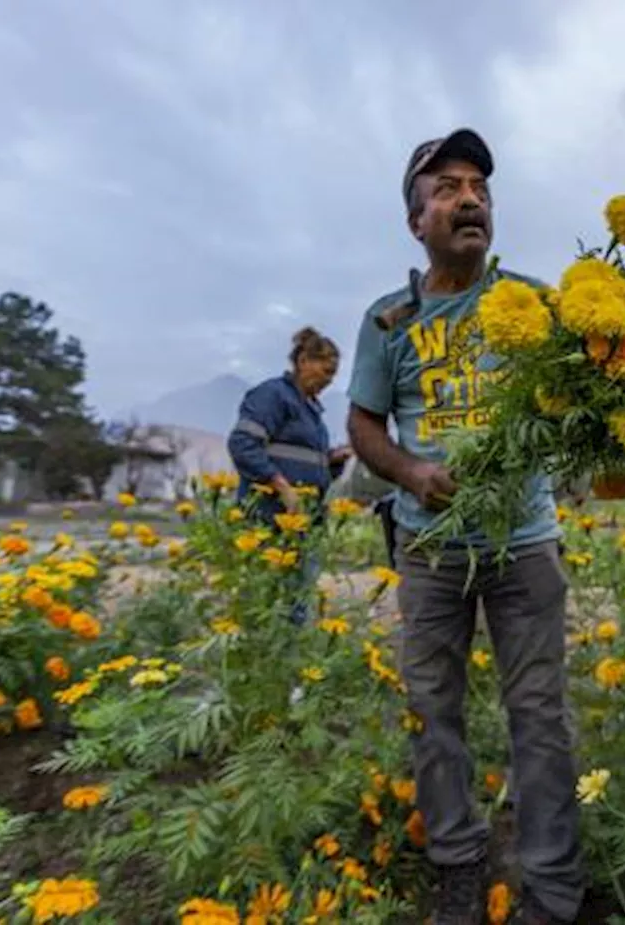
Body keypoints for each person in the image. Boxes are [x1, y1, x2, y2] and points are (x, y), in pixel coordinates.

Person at [346, 129, 583, 925]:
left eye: (478, 185)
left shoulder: (540, 305)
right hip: (429, 549)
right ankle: (457, 860)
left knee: (540, 716)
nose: (470, 197)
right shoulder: (387, 322)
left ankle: (552, 889)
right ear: (416, 221)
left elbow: (580, 403)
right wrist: (413, 473)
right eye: (446, 187)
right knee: (431, 711)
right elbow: (365, 425)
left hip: (525, 547)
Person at [227, 326, 352, 625]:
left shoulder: (312, 412)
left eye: (334, 374)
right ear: (303, 361)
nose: (329, 380)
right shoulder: (273, 396)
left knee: (296, 603)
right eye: (325, 370)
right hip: (270, 520)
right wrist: (281, 486)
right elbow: (243, 444)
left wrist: (331, 460)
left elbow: (306, 464)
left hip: (302, 525)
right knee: (265, 601)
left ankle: (287, 663)